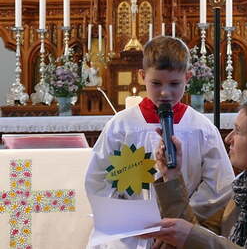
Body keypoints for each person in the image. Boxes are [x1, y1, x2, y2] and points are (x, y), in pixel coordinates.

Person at [84, 36, 235, 249]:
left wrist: (181, 217)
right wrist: (128, 216)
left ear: (188, 78)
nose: (165, 92)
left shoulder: (202, 128)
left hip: (182, 229)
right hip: (129, 234)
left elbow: (219, 185)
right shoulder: (121, 126)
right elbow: (98, 179)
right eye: (156, 83)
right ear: (142, 76)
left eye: (174, 84)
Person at [143, 96, 247, 249]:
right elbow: (200, 235)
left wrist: (190, 235)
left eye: (237, 131)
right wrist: (172, 175)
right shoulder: (245, 187)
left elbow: (196, 237)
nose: (228, 139)